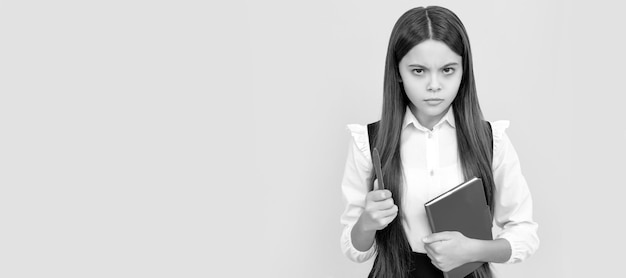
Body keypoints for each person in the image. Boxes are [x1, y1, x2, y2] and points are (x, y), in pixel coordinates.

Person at [339, 6, 539, 278]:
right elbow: (355, 249)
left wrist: (473, 250)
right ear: (398, 72)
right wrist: (367, 222)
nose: (434, 85)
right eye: (419, 71)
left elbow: (525, 233)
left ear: (463, 70)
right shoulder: (368, 141)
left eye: (447, 70)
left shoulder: (492, 140)